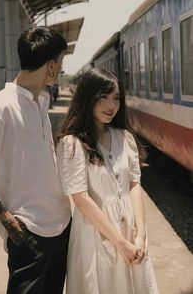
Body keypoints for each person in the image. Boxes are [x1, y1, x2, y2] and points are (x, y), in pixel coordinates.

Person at [0, 26, 71, 294]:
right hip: (30, 233)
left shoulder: (39, 103)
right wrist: (7, 221)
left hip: (59, 226)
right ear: (51, 66)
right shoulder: (1, 107)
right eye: (60, 61)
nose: (60, 67)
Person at [56, 68, 159, 294]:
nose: (110, 105)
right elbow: (80, 198)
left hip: (130, 231)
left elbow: (134, 185)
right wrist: (120, 243)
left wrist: (140, 235)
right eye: (103, 97)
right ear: (87, 97)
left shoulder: (126, 138)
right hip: (96, 235)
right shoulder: (72, 144)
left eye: (116, 98)